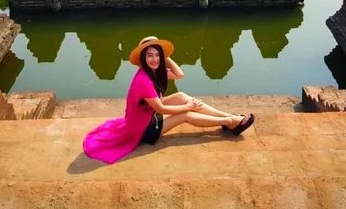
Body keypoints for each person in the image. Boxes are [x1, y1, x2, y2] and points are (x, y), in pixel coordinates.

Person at [83, 35, 255, 164]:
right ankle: (230, 121)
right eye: (149, 56)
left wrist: (164, 57)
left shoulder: (154, 71)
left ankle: (227, 118)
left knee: (181, 96)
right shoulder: (143, 80)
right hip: (143, 130)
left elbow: (180, 74)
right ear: (143, 58)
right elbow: (162, 109)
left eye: (157, 55)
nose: (154, 59)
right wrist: (187, 107)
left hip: (146, 114)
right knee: (185, 114)